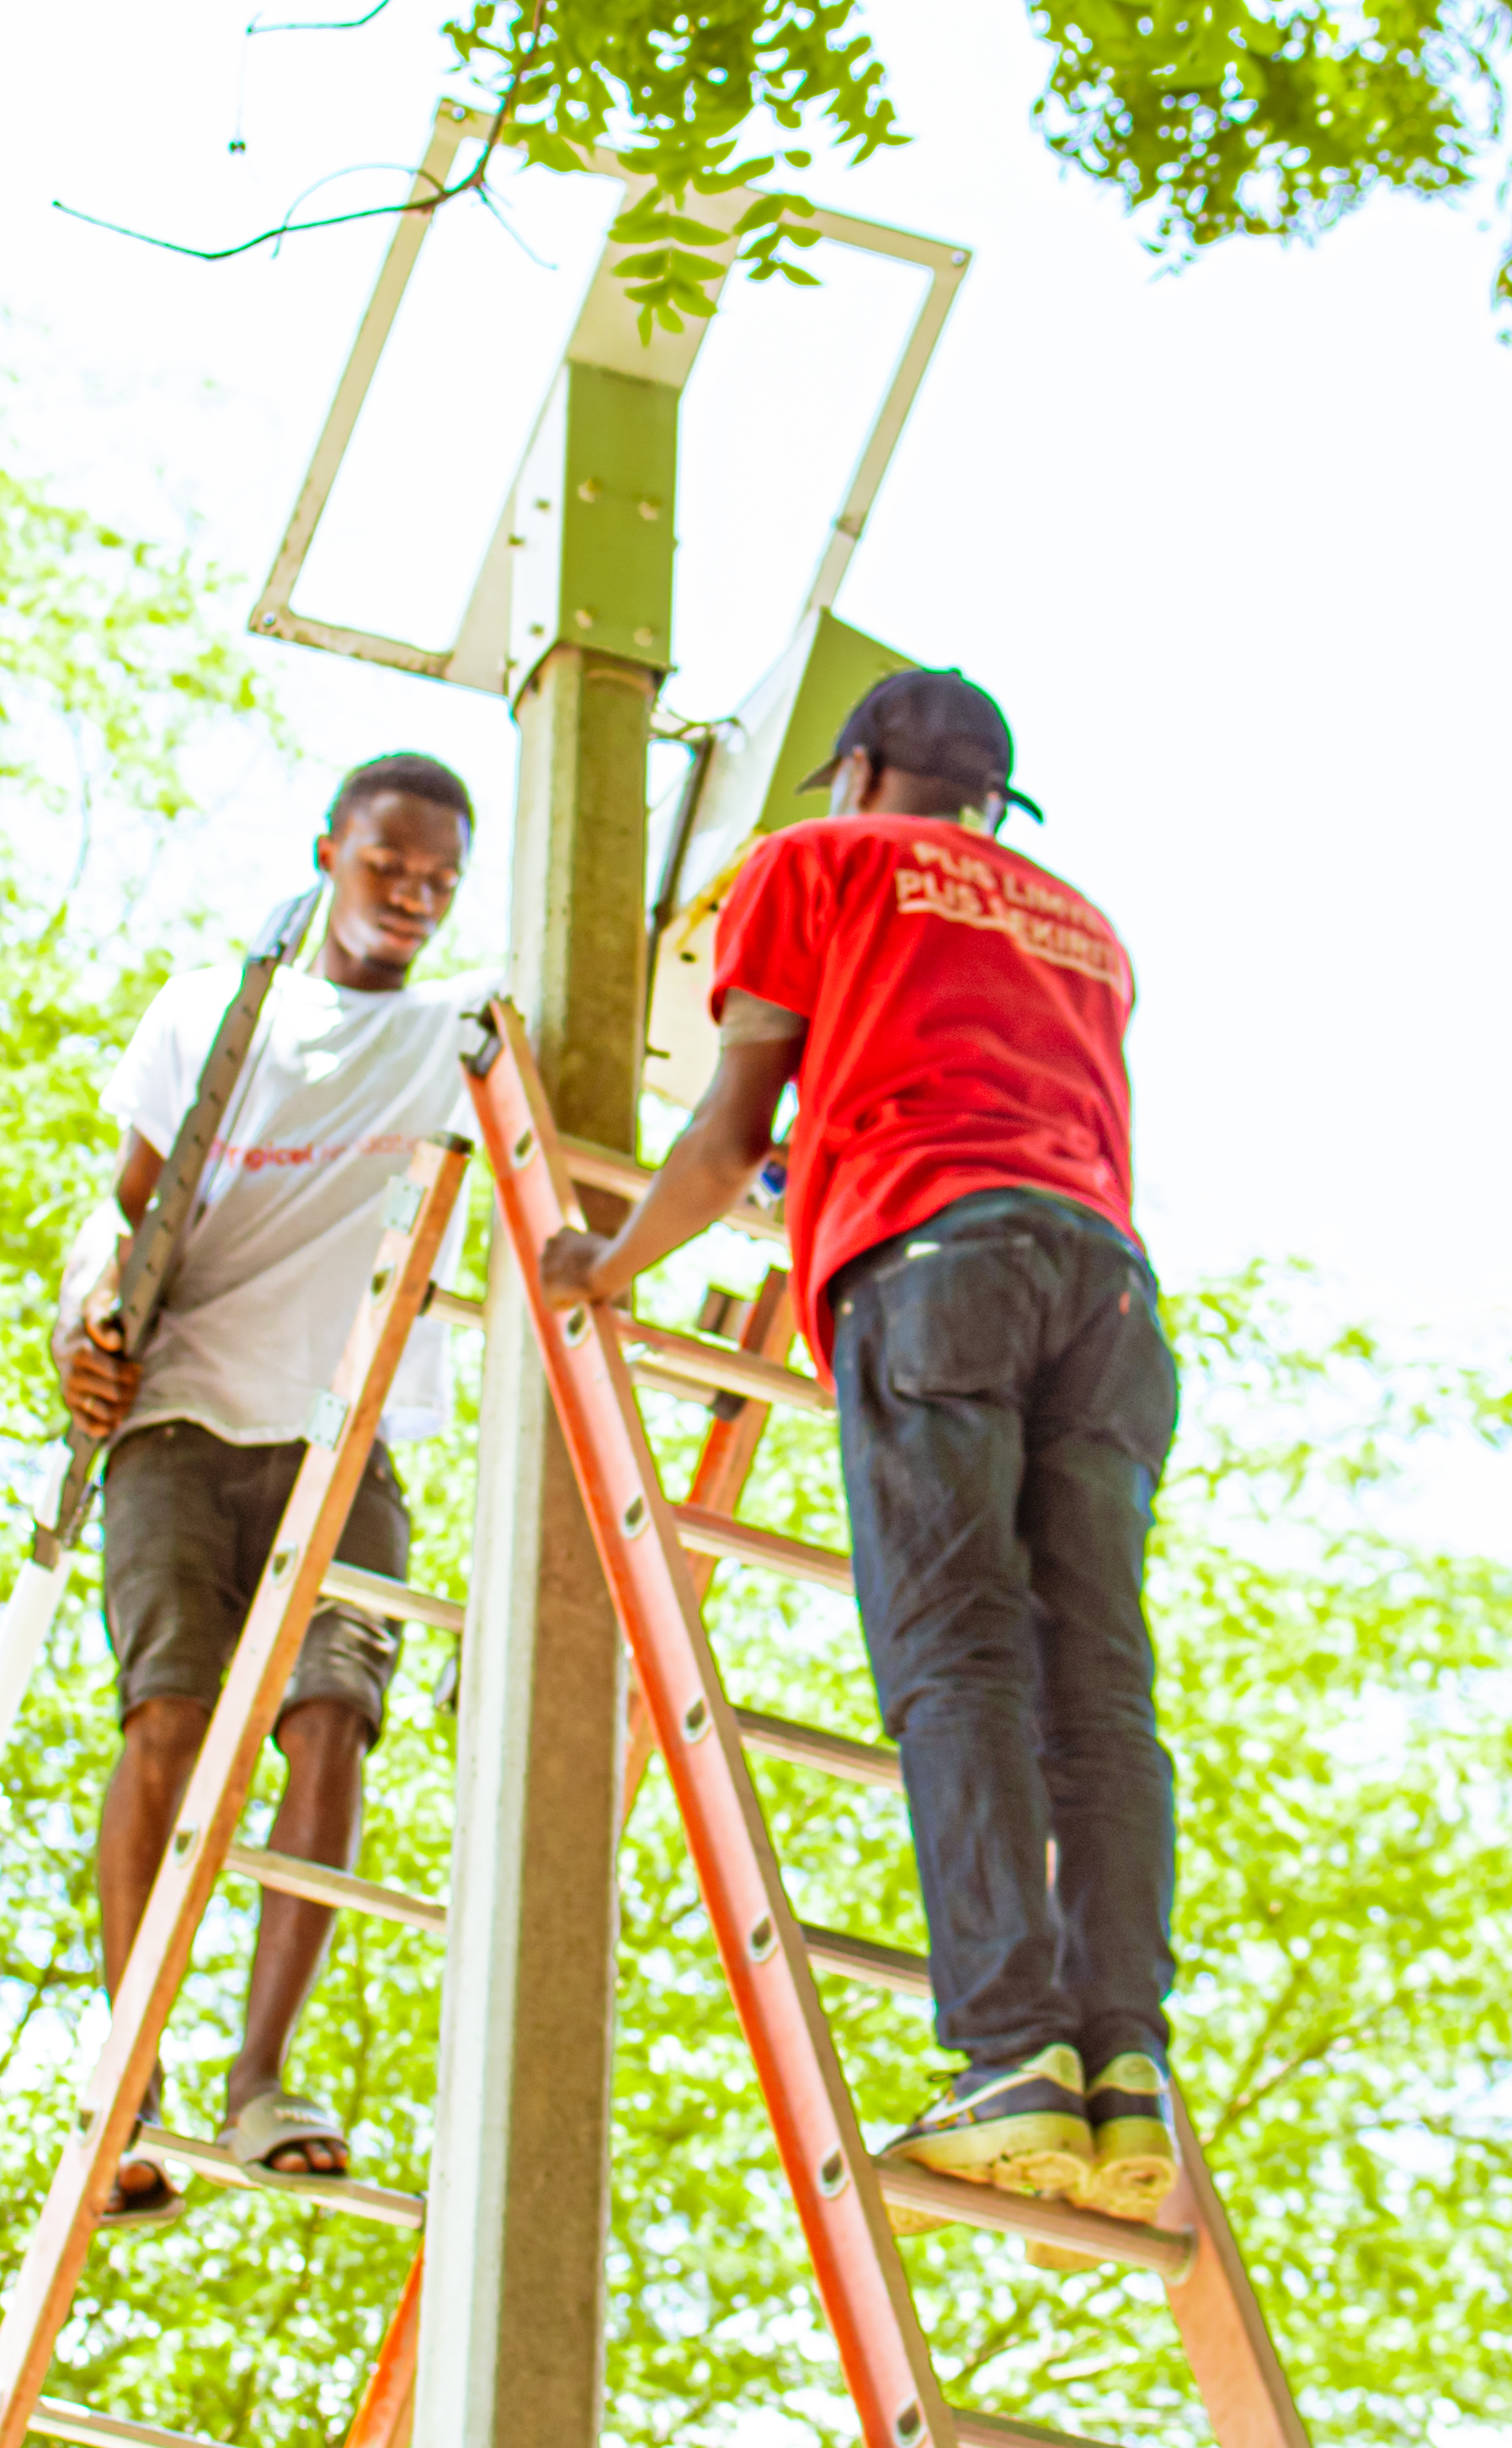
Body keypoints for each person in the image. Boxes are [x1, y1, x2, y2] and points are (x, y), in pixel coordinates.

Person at [537, 671, 1179, 2228]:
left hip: (930, 1272)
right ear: (994, 800)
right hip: (1107, 1291)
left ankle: (1012, 2051)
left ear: (861, 765)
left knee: (957, 1657)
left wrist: (600, 1267)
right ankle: (1124, 2058)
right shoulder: (1083, 927)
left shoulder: (814, 864)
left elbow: (729, 1130)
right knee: (1095, 1684)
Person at [58, 751, 482, 2223]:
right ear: (329, 853)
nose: (413, 900)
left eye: (440, 882)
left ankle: (263, 2073)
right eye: (389, 868)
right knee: (167, 1718)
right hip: (183, 1420)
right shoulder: (217, 1011)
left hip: (342, 1432)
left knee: (330, 1724)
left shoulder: (461, 1035)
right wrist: (82, 1323)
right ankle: (135, 2078)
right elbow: (123, 1208)